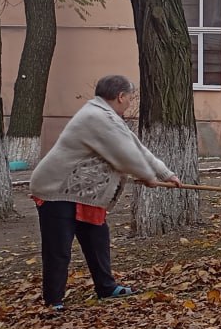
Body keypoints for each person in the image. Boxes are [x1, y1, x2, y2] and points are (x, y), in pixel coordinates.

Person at [29, 74, 181, 310]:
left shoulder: (109, 117)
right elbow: (126, 155)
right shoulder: (96, 117)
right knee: (58, 248)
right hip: (56, 191)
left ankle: (106, 288)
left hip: (85, 195)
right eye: (130, 97)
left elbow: (136, 148)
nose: (130, 101)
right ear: (120, 96)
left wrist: (165, 174)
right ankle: (53, 301)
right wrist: (148, 177)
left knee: (97, 240)